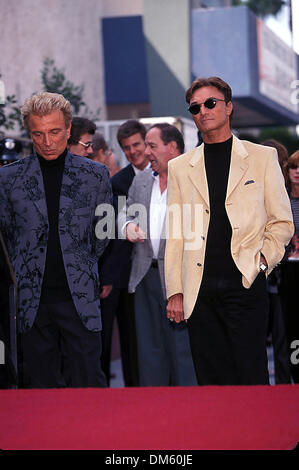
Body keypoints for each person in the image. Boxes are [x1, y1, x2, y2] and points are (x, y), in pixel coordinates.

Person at [165, 76, 294, 386]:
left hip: (245, 282)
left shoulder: (261, 158)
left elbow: (282, 222)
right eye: (195, 107)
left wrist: (262, 262)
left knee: (251, 376)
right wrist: (176, 291)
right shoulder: (180, 167)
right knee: (211, 380)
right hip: (200, 290)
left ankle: (260, 435)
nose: (203, 111)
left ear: (229, 107)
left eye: (211, 103)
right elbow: (177, 234)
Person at [0, 92, 112, 388]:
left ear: (68, 129)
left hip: (80, 299)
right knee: (39, 392)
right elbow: (8, 237)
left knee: (88, 384)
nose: (48, 142)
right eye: (38, 134)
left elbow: (104, 234)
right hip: (31, 304)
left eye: (54, 132)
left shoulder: (96, 175)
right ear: (29, 133)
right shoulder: (8, 179)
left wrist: (80, 263)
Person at [123, 123, 197, 386]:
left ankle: (190, 411)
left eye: (152, 146)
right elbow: (127, 210)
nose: (146, 153)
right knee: (149, 351)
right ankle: (152, 412)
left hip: (181, 278)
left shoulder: (194, 180)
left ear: (173, 147)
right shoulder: (142, 179)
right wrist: (126, 225)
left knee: (183, 350)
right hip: (144, 277)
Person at [99, 119, 149, 386]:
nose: (133, 151)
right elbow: (113, 233)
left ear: (146, 143)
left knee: (146, 338)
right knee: (122, 337)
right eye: (126, 148)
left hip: (155, 270)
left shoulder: (166, 174)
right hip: (123, 274)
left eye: (136, 145)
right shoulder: (118, 182)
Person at [261, 139, 291, 384]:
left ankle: (282, 386)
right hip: (259, 275)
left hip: (282, 281)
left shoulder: (287, 196)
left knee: (283, 338)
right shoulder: (253, 192)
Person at [281, 150, 299, 383]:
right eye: (293, 168)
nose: (297, 173)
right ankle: (295, 376)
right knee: (292, 331)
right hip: (287, 273)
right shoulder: (281, 199)